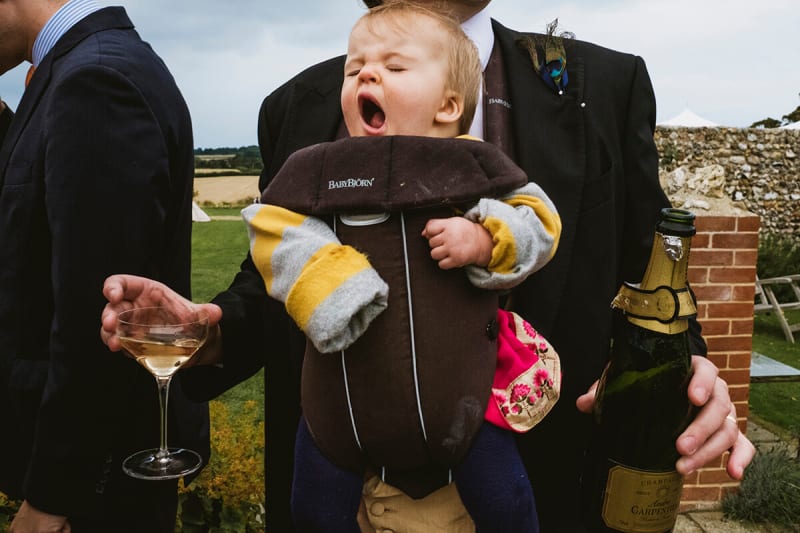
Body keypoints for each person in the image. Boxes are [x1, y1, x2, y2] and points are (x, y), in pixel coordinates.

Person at [100, 0, 756, 531]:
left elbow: (652, 270)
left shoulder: (608, 88)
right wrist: (209, 329)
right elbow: (269, 281)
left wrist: (686, 367)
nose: (370, 75)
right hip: (338, 480)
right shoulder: (297, 105)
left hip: (546, 500)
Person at [243, 4, 561, 530]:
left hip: (464, 402)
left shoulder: (473, 161)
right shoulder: (320, 166)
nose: (367, 74)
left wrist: (486, 238)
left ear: (448, 104)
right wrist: (328, 279)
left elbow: (542, 220)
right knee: (312, 509)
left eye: (394, 67)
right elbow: (271, 224)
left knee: (508, 505)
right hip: (338, 407)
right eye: (355, 68)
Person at [0, 0, 209, 531]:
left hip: (95, 490)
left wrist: (53, 493)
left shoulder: (94, 78)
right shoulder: (88, 66)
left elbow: (97, 312)